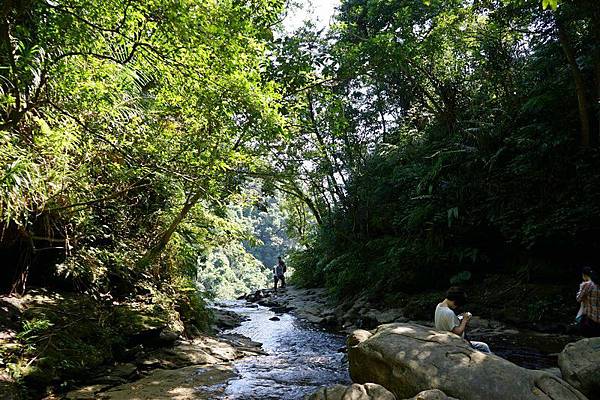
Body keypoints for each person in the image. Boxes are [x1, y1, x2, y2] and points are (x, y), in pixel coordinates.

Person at [434, 287, 491, 353]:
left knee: (483, 346)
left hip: (445, 339)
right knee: (484, 347)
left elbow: (448, 323)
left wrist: (459, 318)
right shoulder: (449, 312)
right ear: (454, 301)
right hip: (457, 343)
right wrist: (465, 320)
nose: (457, 307)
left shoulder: (439, 306)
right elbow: (458, 332)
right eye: (457, 305)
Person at [576, 267, 600, 337]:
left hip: (590, 321)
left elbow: (578, 299)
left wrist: (581, 288)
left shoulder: (587, 284)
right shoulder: (598, 284)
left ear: (584, 275)